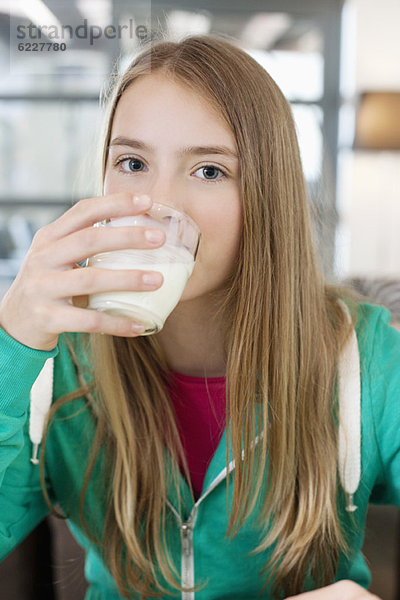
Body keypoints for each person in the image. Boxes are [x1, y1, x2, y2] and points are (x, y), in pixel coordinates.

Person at [0, 34, 398, 600]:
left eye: (209, 170)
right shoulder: (55, 358)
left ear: (266, 194)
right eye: (132, 163)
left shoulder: (365, 358)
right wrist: (10, 346)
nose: (158, 208)